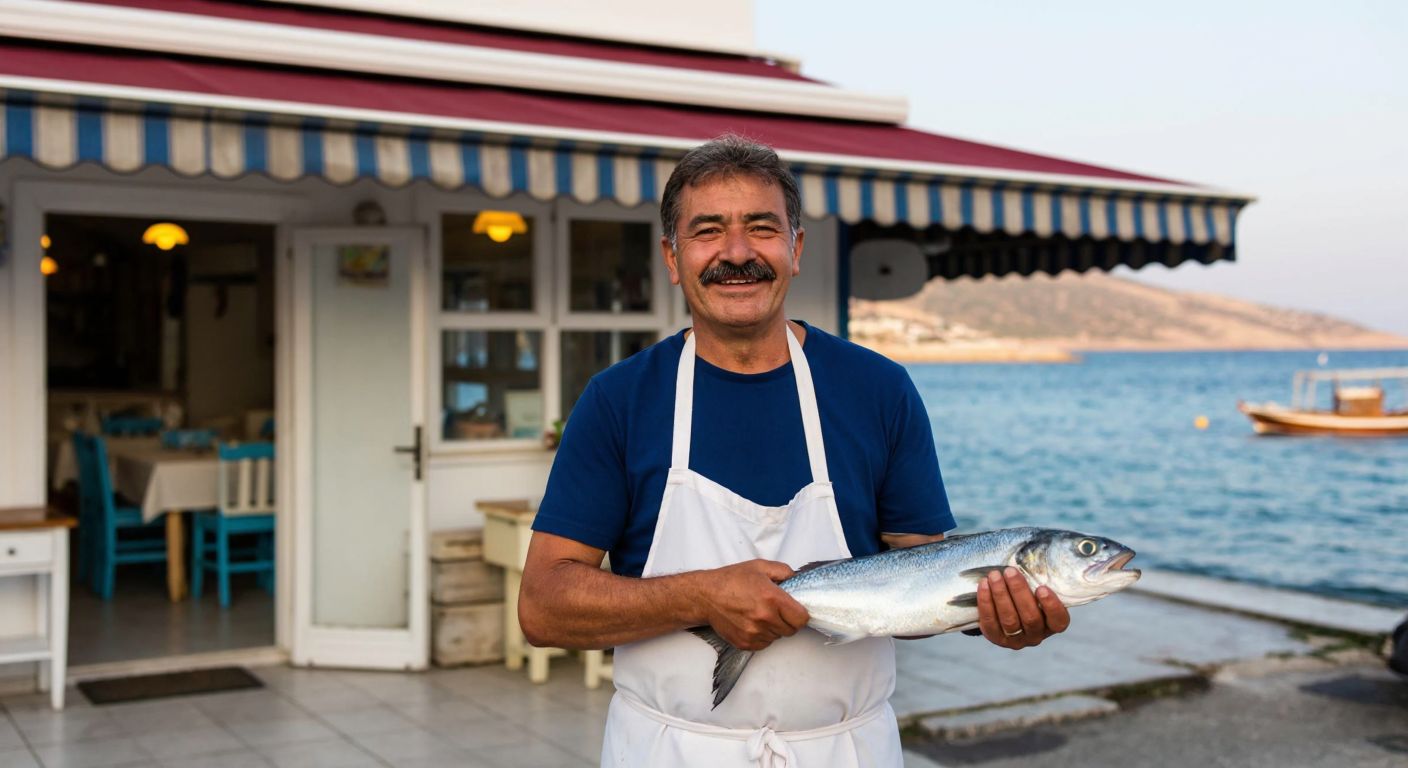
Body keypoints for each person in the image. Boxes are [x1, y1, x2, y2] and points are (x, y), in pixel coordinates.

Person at [518, 134, 1071, 767]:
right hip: (668, 750)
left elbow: (923, 570)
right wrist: (701, 597)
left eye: (761, 227)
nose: (736, 253)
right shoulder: (619, 400)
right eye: (707, 231)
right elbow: (542, 607)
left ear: (796, 248)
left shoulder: (877, 389)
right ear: (672, 258)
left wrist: (992, 611)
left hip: (846, 750)